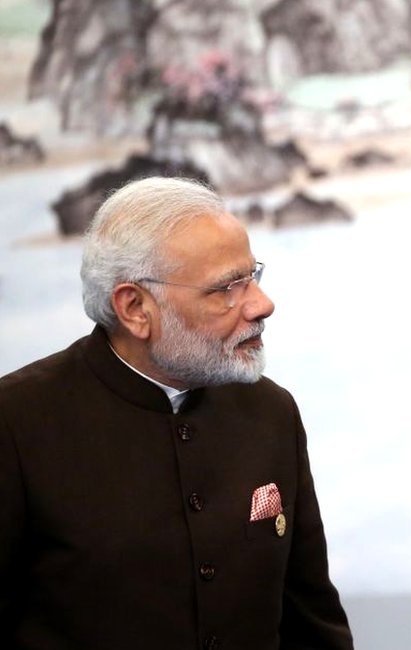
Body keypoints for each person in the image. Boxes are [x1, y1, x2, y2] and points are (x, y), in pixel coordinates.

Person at [0, 177, 354, 650]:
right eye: (226, 289)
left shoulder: (271, 411)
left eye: (253, 277)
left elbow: (312, 620)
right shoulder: (16, 423)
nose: (261, 305)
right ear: (135, 308)